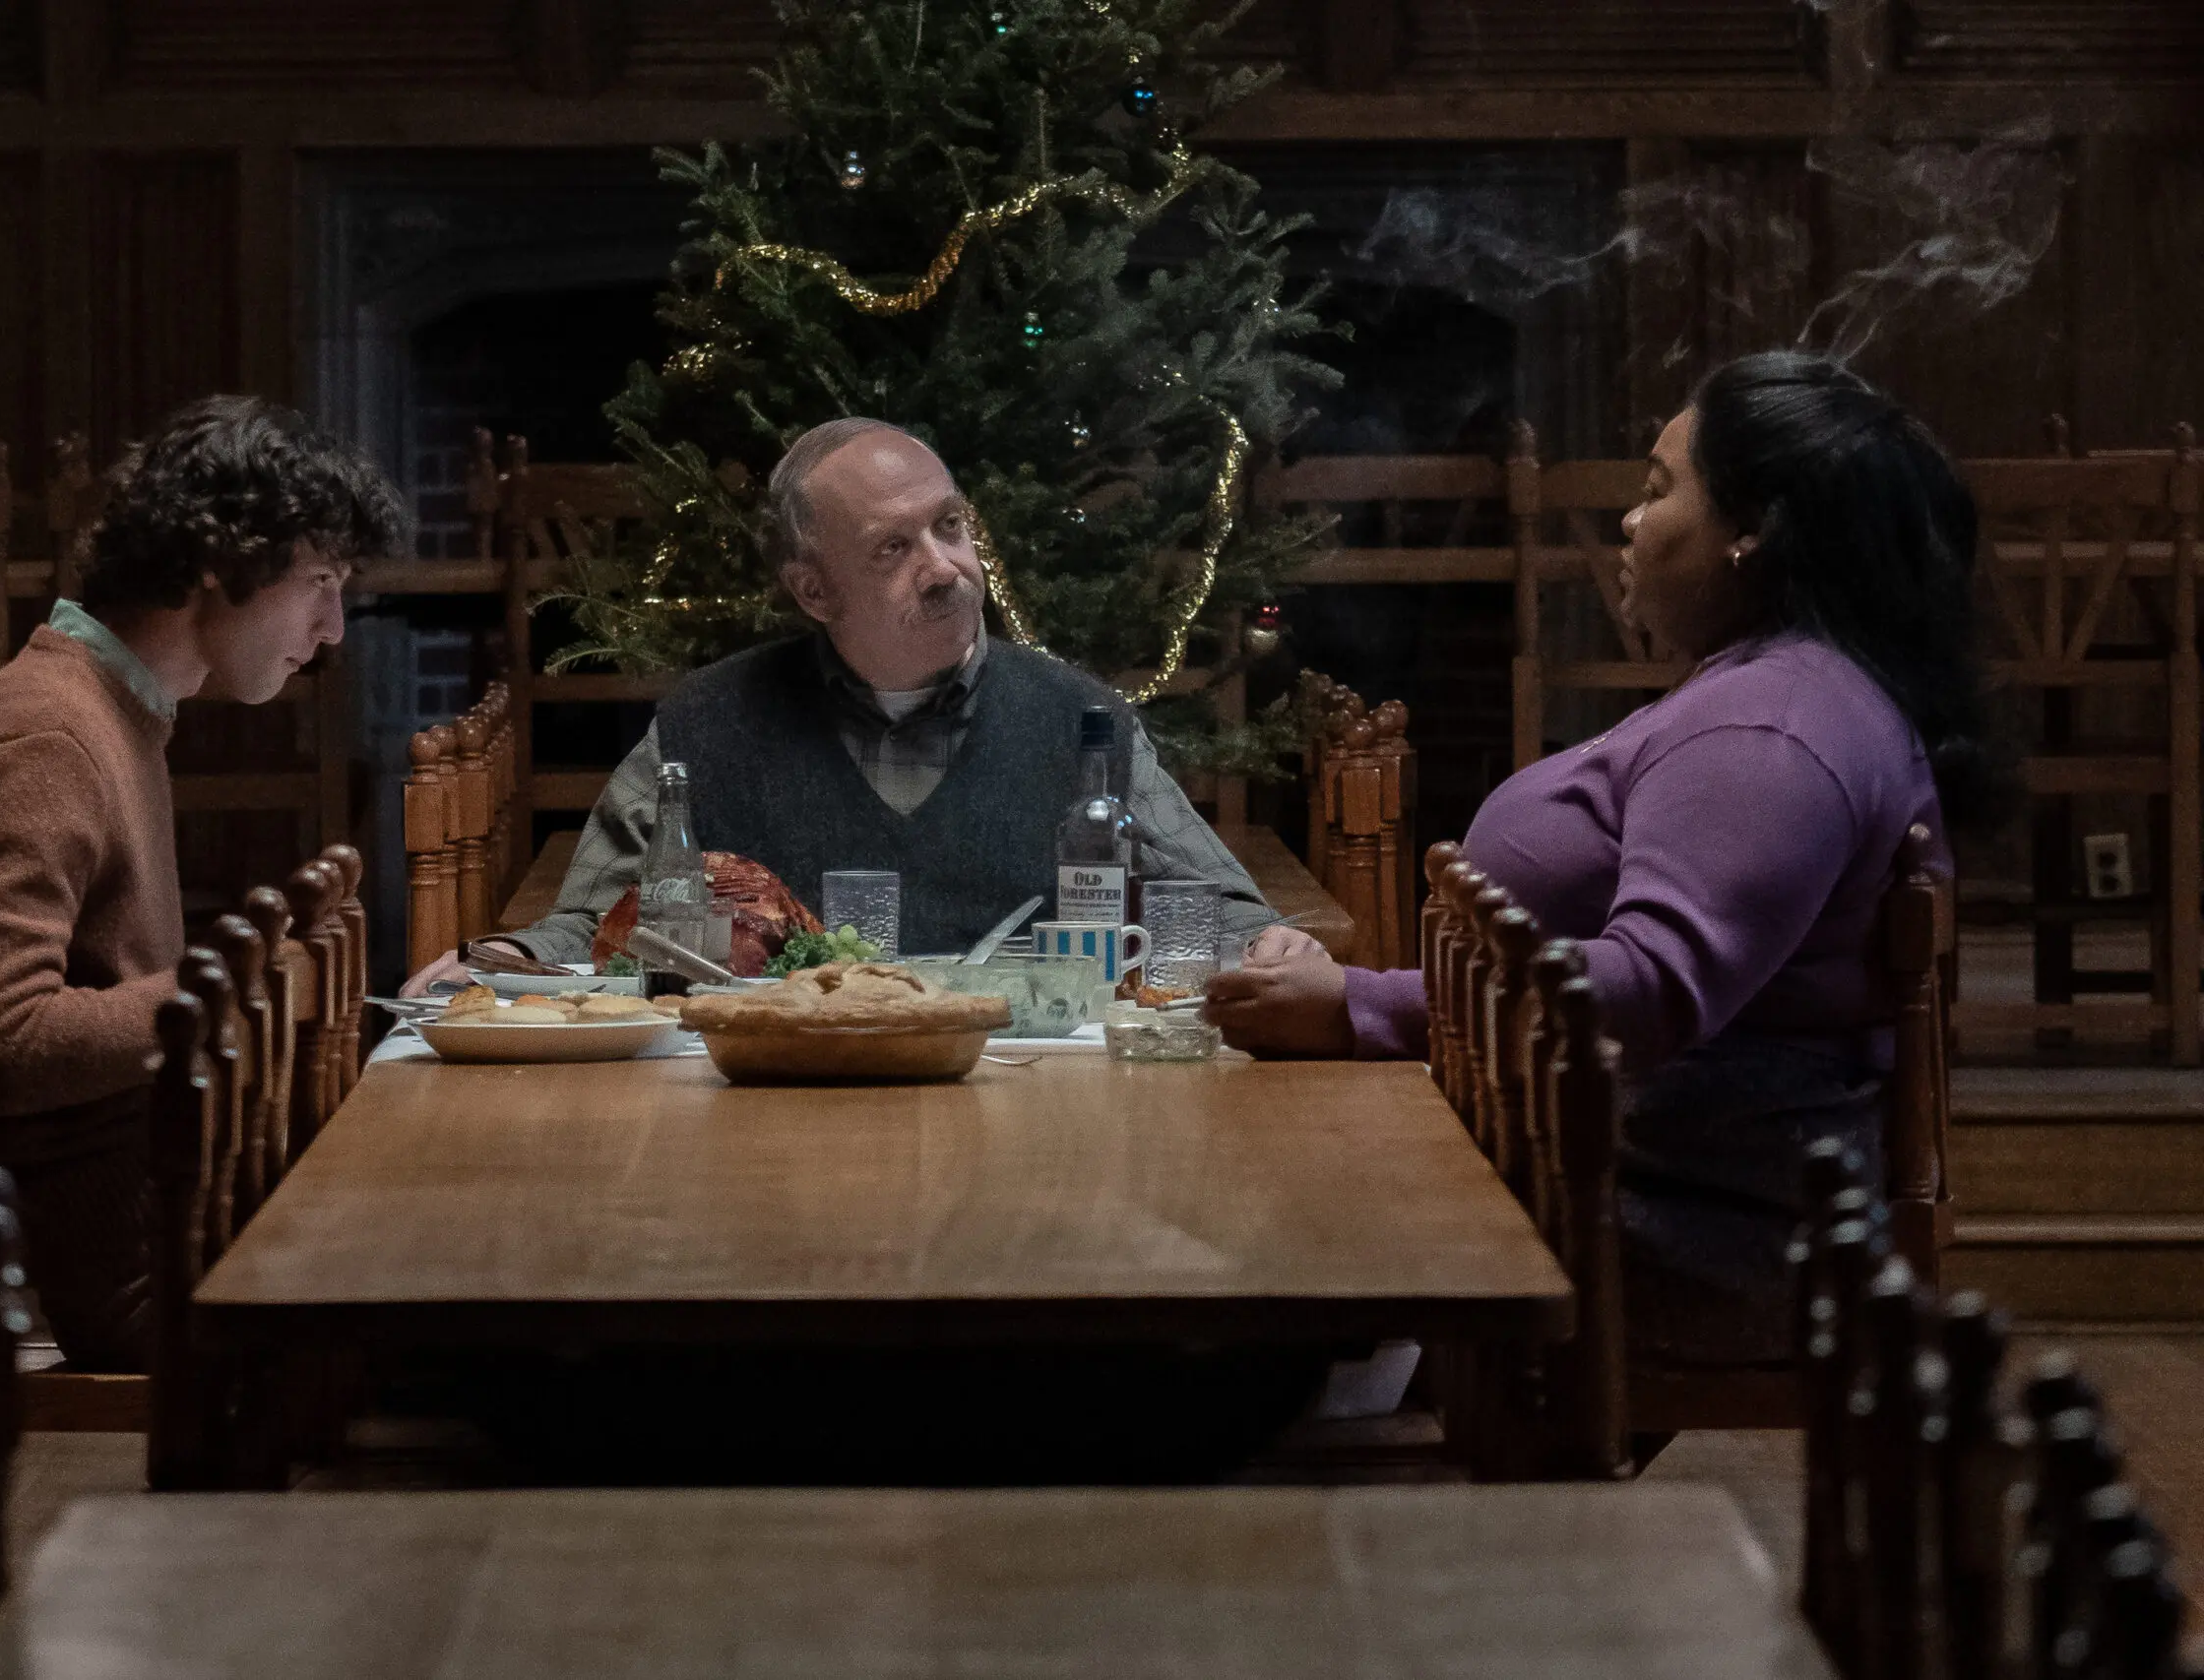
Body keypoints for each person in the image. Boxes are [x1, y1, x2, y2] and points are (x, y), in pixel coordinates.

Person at [1207, 351, 2007, 1361]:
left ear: (1752, 531)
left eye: (1659, 490)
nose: (1631, 521)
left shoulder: (1771, 724)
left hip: (1674, 1225)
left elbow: (1647, 986)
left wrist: (1356, 1005)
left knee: (1219, 1219)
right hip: (1618, 1173)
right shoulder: (1773, 689)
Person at [409, 417, 1307, 985]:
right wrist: (505, 961)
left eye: (949, 526)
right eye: (893, 548)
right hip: (777, 1117)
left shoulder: (1083, 720)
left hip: (1028, 1108)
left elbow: (1224, 908)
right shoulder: (709, 722)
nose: (946, 568)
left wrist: (1272, 946)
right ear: (813, 590)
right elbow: (593, 924)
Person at [0, 396, 408, 1371]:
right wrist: (236, 987)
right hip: (138, 1282)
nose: (333, 630)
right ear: (221, 561)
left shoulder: (110, 713)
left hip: (175, 1222)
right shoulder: (50, 734)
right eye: (319, 581)